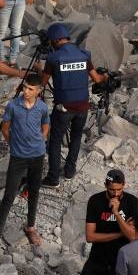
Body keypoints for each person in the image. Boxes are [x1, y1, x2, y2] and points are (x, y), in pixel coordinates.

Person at [0, 75, 49, 249]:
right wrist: (13, 144)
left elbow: (45, 124)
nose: (26, 91)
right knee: (9, 194)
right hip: (18, 158)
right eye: (24, 87)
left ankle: (31, 227)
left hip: (37, 156)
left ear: (38, 91)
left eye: (30, 89)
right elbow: (5, 128)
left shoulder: (42, 107)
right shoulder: (13, 105)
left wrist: (42, 139)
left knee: (33, 192)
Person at [40, 23, 109, 187]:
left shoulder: (53, 59)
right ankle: (70, 172)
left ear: (55, 41)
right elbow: (97, 79)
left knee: (55, 141)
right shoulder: (84, 55)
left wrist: (38, 70)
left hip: (63, 107)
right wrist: (106, 76)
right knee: (76, 138)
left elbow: (42, 83)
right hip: (83, 107)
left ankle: (53, 178)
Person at [77, 169, 138, 275]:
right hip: (97, 257)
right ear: (106, 185)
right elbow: (90, 237)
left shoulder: (132, 202)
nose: (116, 194)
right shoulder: (95, 201)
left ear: (124, 185)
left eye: (119, 189)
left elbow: (133, 236)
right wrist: (120, 233)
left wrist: (116, 213)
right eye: (112, 190)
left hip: (119, 261)